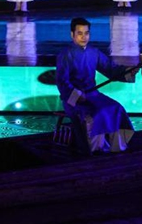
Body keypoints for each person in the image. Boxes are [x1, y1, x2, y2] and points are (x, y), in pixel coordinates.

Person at [56, 18, 135, 153]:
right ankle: (97, 150)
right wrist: (76, 95)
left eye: (86, 33)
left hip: (93, 94)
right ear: (72, 34)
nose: (84, 37)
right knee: (95, 114)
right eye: (80, 33)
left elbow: (110, 69)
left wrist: (129, 70)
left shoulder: (94, 52)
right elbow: (62, 82)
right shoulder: (65, 54)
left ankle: (118, 148)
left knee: (116, 108)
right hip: (74, 99)